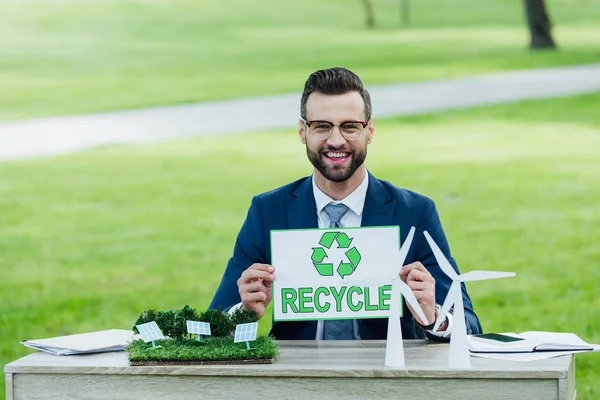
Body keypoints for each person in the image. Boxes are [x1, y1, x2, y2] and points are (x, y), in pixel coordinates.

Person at [209, 67, 482, 340]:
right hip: (297, 378)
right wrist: (242, 311)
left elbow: (469, 325)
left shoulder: (414, 212)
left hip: (386, 378)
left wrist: (433, 316)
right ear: (303, 132)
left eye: (350, 126)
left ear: (370, 131)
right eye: (322, 126)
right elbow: (210, 331)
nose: (336, 140)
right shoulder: (268, 211)